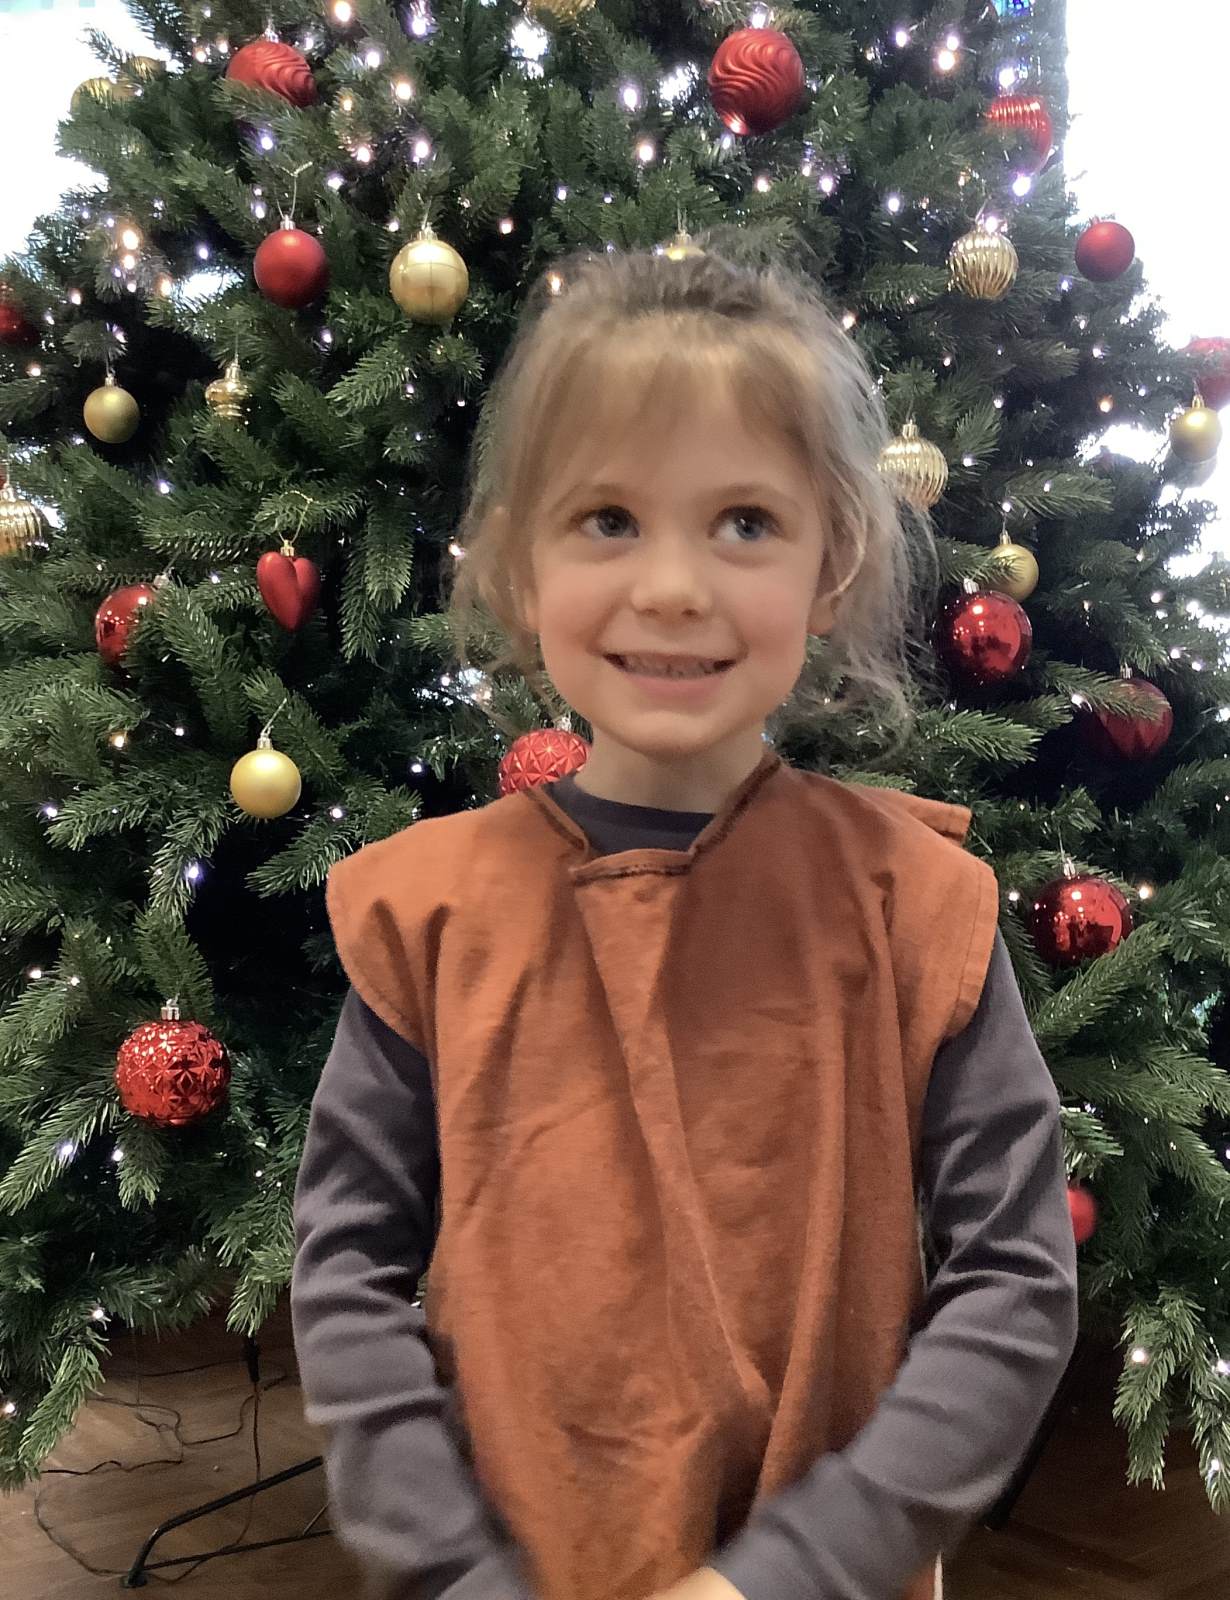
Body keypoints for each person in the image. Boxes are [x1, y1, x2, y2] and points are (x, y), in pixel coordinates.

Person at [291, 248, 1079, 1600]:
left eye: (744, 523)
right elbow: (347, 1276)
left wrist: (800, 1568)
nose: (671, 586)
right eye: (607, 518)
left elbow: (1013, 1282)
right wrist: (453, 1574)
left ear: (832, 563)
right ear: (518, 562)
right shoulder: (428, 915)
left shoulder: (914, 908)